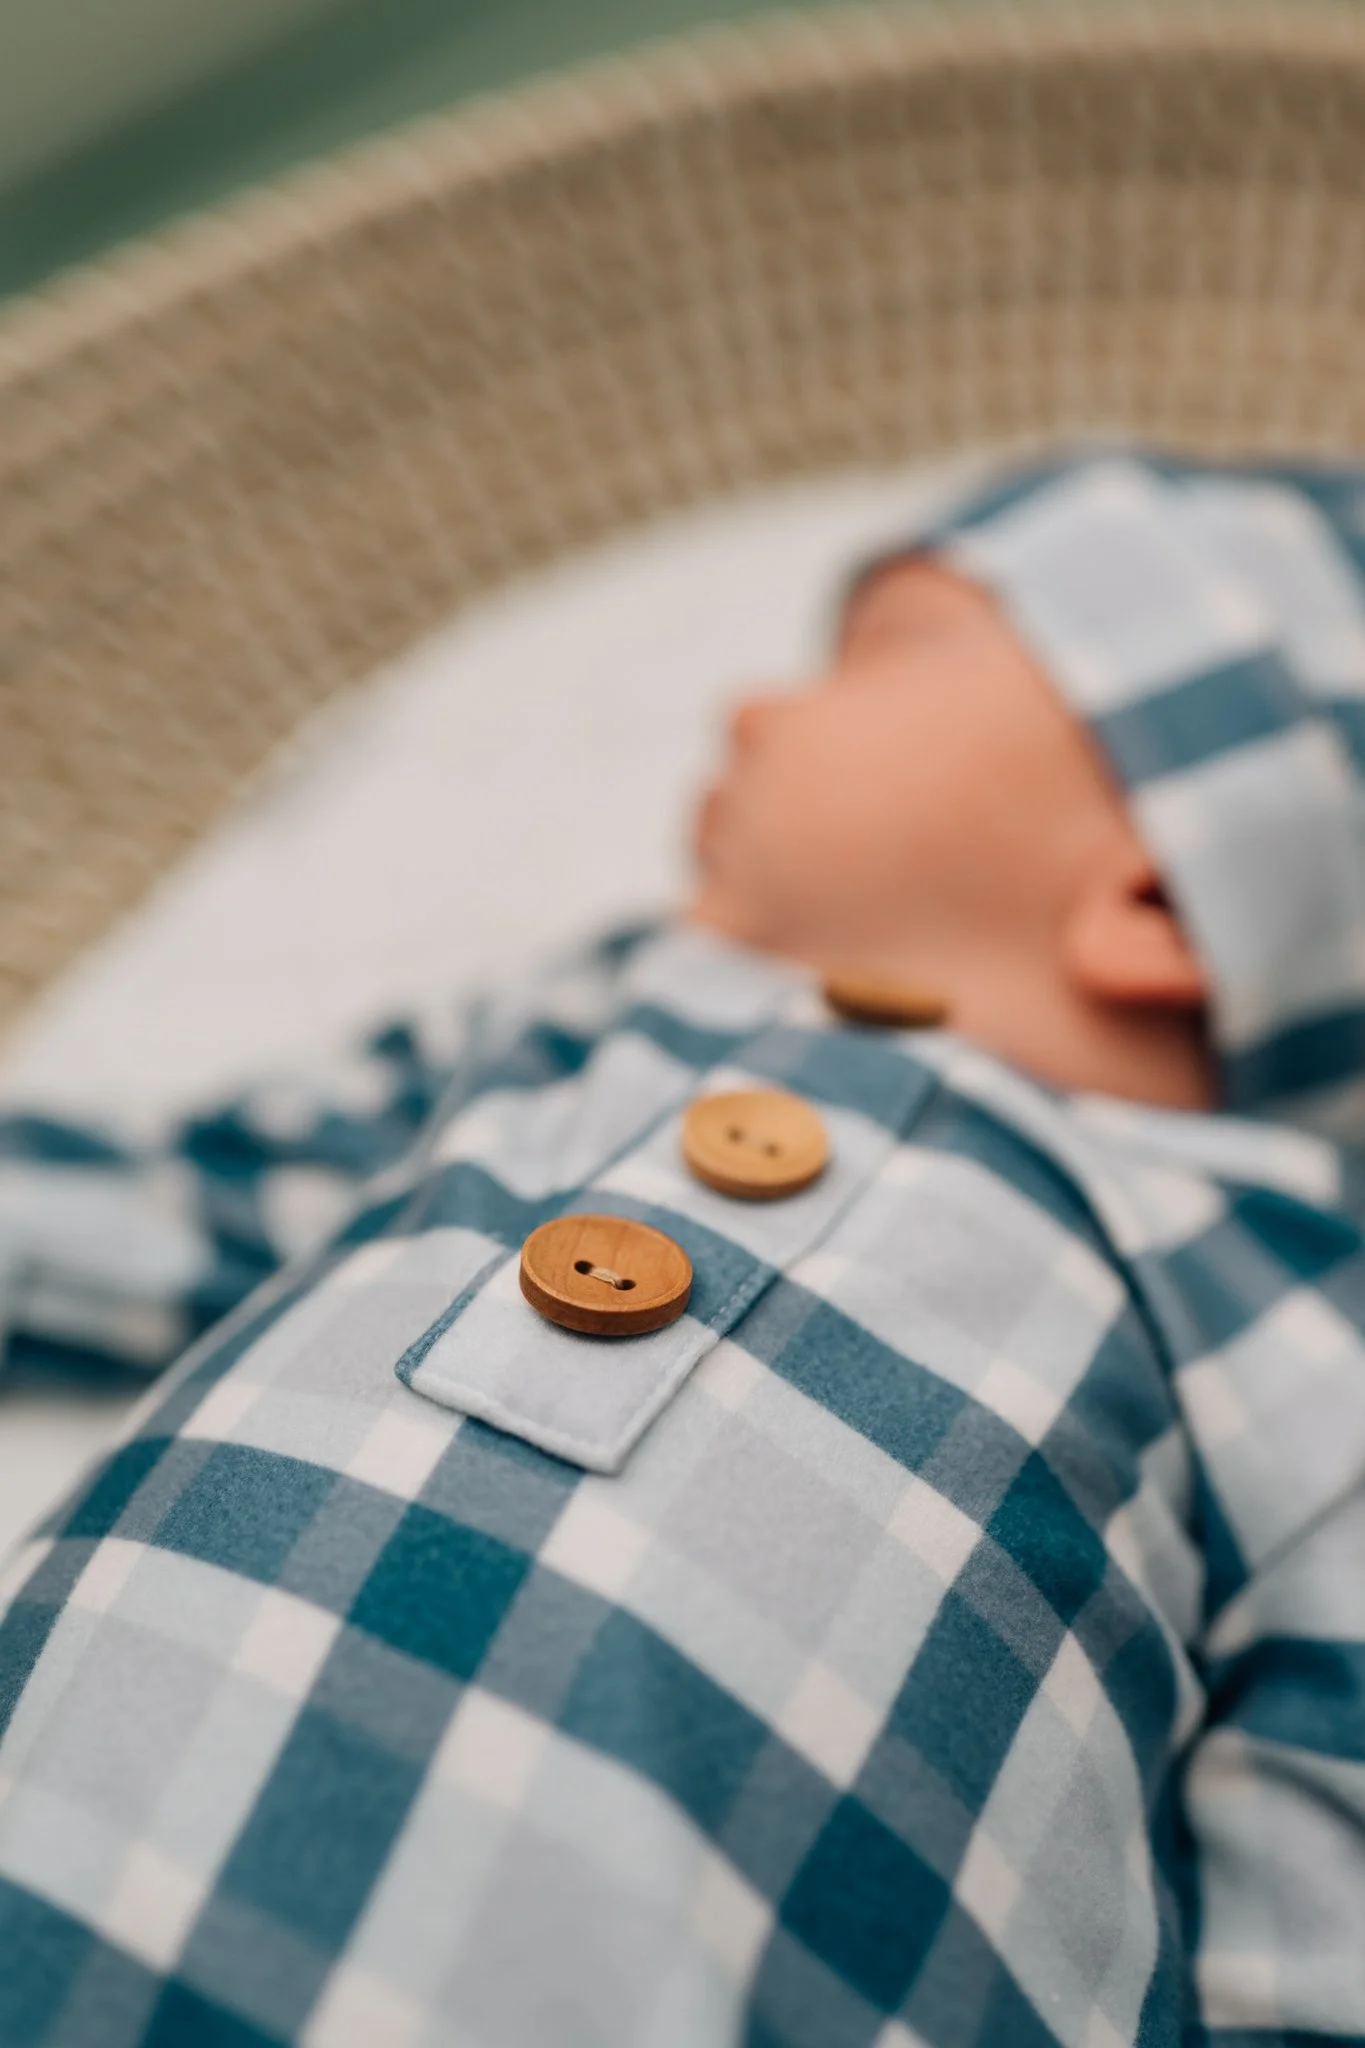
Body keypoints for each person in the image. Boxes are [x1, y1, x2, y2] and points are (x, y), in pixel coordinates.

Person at [1, 449, 1363, 2047]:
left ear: (1158, 894)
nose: (750, 709)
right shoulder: (581, 1015)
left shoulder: (1270, 1276)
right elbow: (199, 1199)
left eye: (882, 655)